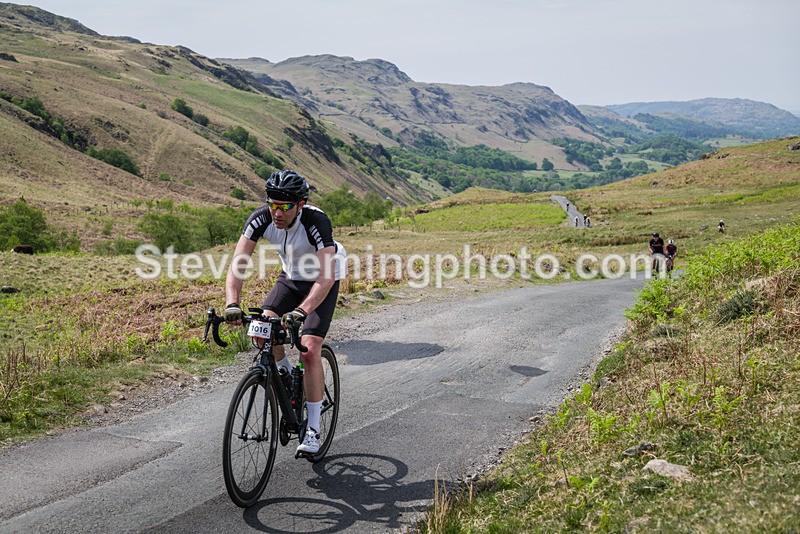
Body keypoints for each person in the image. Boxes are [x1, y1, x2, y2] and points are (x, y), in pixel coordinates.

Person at [223, 170, 347, 456]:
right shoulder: (261, 218)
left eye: (285, 206)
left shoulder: (316, 221)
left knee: (309, 349)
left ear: (299, 205)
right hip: (291, 278)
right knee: (262, 331)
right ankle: (290, 377)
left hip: (322, 280)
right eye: (272, 204)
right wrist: (232, 303)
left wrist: (302, 311)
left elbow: (326, 278)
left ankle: (313, 429)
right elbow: (238, 264)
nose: (277, 212)